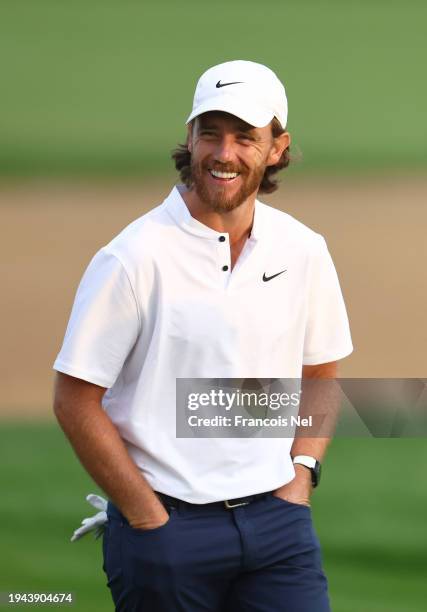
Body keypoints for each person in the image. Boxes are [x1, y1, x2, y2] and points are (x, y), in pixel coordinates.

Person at [53, 60, 353, 611]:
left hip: (278, 525)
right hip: (166, 530)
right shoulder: (132, 258)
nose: (224, 153)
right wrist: (146, 515)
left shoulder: (302, 249)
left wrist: (301, 476)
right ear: (188, 139)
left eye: (245, 137)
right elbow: (75, 397)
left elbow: (320, 372)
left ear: (278, 147)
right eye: (209, 133)